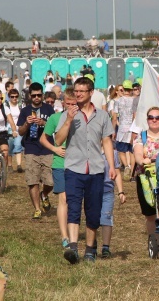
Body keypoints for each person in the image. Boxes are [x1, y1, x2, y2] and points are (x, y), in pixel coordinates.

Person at [54, 77, 116, 264]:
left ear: (91, 93)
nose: (78, 94)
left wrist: (112, 166)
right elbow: (58, 140)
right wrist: (69, 120)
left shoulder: (103, 116)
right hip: (74, 168)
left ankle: (90, 249)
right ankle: (73, 247)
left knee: (93, 211)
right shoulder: (68, 114)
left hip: (96, 169)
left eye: (82, 91)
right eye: (76, 91)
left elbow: (106, 142)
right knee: (73, 207)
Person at [39, 88, 75, 249]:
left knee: (75, 200)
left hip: (78, 164)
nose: (72, 107)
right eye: (69, 104)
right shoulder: (55, 118)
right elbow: (43, 139)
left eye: (75, 104)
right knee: (64, 199)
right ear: (63, 103)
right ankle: (64, 236)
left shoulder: (83, 118)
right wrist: (54, 149)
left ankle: (73, 229)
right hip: (60, 164)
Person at [17, 82, 56, 220]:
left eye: (39, 95)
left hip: (47, 149)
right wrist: (27, 123)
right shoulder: (25, 111)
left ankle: (44, 194)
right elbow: (20, 132)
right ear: (30, 96)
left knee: (50, 181)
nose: (37, 98)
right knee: (32, 181)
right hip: (31, 148)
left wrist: (44, 123)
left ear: (42, 95)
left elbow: (55, 128)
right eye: (34, 95)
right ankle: (37, 209)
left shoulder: (49, 110)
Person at [112, 80, 136, 175]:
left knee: (121, 150)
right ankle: (132, 172)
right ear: (131, 90)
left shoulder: (117, 101)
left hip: (122, 129)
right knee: (132, 151)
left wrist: (113, 130)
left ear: (123, 90)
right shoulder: (135, 100)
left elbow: (114, 118)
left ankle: (126, 166)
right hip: (133, 129)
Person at [6, 88, 24, 172]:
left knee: (18, 144)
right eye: (12, 97)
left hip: (19, 128)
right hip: (8, 128)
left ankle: (19, 165)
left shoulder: (20, 105)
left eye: (16, 96)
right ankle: (9, 165)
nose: (14, 98)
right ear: (9, 97)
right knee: (10, 146)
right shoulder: (6, 105)